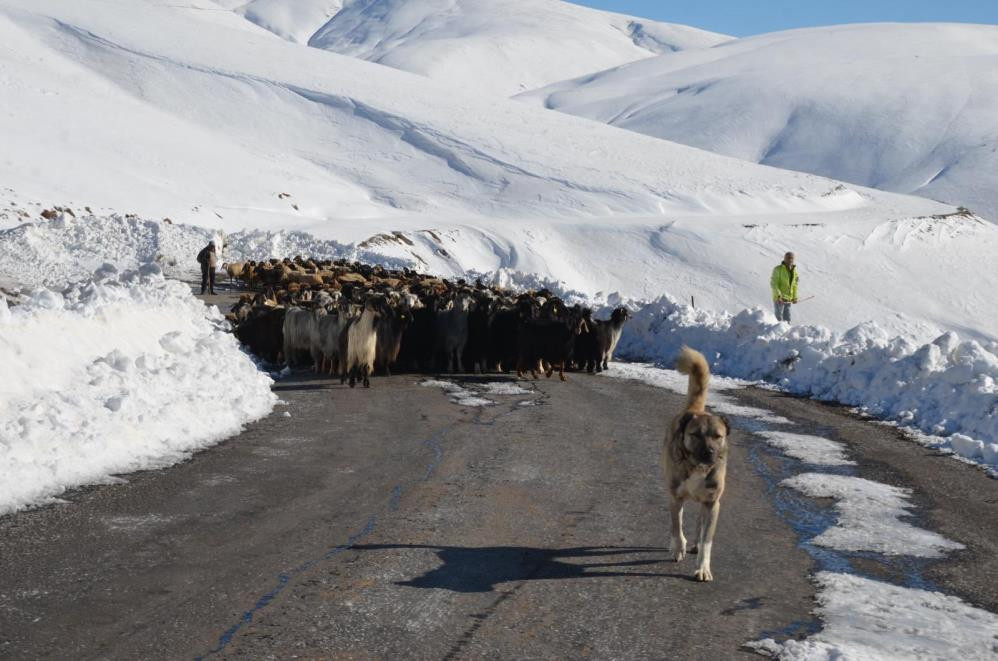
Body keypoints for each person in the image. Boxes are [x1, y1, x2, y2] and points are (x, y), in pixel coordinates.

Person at [770, 251, 799, 323]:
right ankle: (775, 333)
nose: (790, 260)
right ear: (784, 259)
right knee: (778, 318)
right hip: (779, 299)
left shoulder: (794, 271)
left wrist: (795, 297)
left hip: (788, 299)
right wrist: (778, 295)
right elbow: (774, 283)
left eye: (792, 258)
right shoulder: (778, 269)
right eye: (788, 258)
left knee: (787, 319)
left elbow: (794, 285)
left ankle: (787, 333)